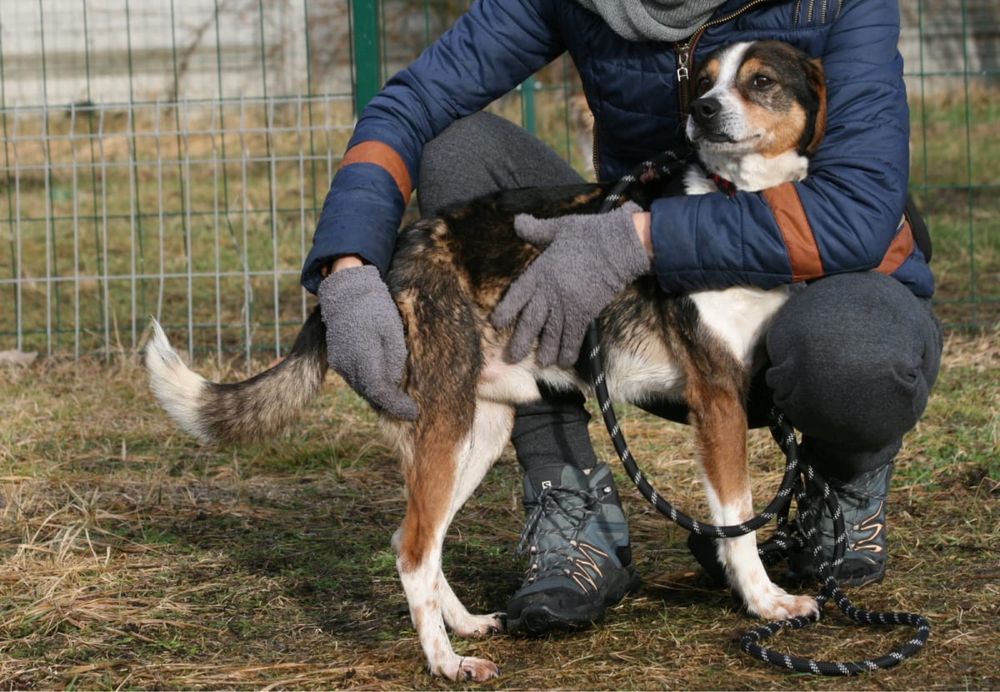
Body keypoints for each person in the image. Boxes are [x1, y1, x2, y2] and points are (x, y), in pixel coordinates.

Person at [303, 0, 941, 633]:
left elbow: (856, 215)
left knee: (855, 351)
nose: (711, 102)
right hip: (660, 303)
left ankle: (841, 483)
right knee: (455, 145)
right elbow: (410, 102)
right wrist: (349, 264)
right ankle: (569, 499)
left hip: (834, 288)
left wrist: (637, 239)